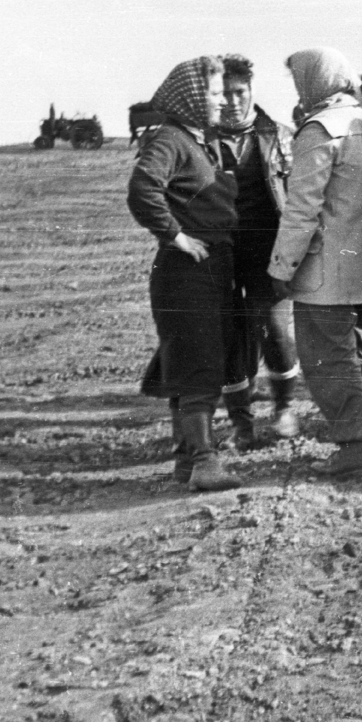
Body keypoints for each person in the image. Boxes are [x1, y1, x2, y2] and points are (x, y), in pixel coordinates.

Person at [268, 48, 362, 477]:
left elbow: (301, 211)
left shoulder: (319, 130)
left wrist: (281, 269)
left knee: (327, 358)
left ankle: (355, 445)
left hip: (327, 272)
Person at [128, 55, 240, 492]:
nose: (220, 102)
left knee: (190, 361)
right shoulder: (172, 139)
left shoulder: (197, 139)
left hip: (206, 270)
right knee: (199, 365)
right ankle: (206, 464)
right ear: (192, 98)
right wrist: (176, 237)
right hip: (187, 271)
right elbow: (142, 189)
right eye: (212, 94)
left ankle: (186, 463)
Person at [216, 54, 299, 448]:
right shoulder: (200, 139)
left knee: (275, 328)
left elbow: (300, 197)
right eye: (226, 93)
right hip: (220, 254)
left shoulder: (281, 135)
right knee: (229, 336)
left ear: (252, 90)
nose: (233, 101)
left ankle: (284, 408)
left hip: (270, 252)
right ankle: (241, 424)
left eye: (241, 92)